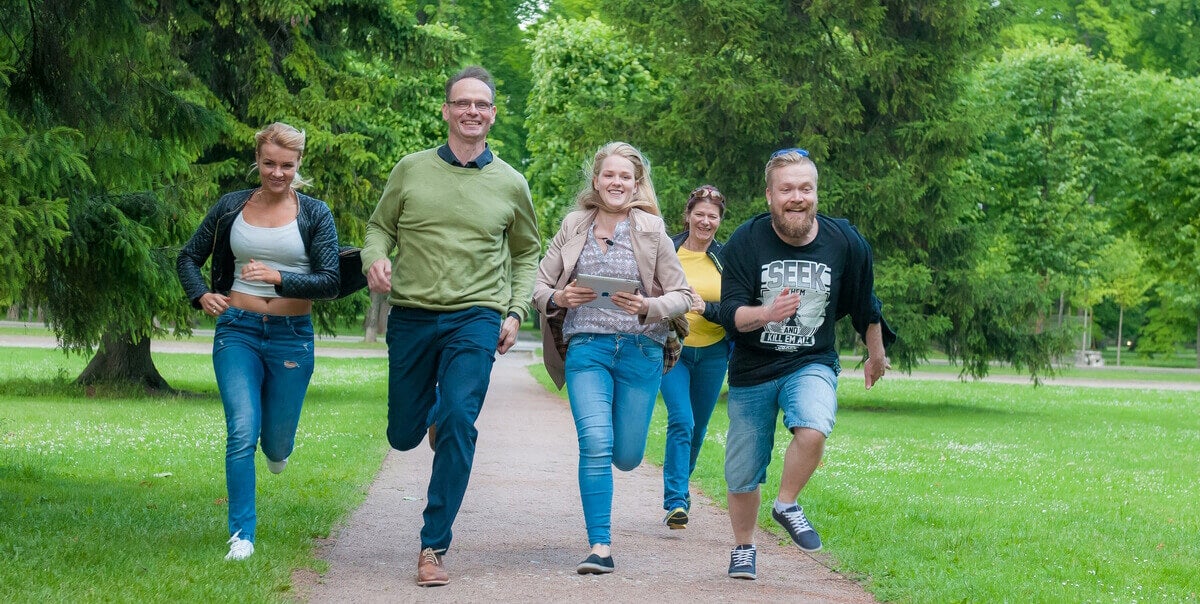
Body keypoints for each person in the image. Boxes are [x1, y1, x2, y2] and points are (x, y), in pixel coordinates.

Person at [360, 66, 540, 587]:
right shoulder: (411, 170)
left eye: (482, 105)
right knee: (402, 434)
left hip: (476, 315)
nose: (472, 112)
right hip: (413, 314)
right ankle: (432, 412)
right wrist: (376, 258)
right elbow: (378, 227)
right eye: (463, 103)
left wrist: (514, 310)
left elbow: (527, 252)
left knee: (461, 420)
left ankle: (433, 546)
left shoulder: (511, 182)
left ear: (493, 114)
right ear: (446, 110)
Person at [717, 148, 895, 580]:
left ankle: (787, 503)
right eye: (787, 189)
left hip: (810, 360)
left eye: (805, 188)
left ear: (816, 192)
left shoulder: (845, 241)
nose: (797, 197)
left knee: (814, 426)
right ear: (769, 196)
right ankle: (744, 548)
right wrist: (765, 314)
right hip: (752, 367)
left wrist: (876, 353)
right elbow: (730, 314)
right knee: (743, 471)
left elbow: (864, 303)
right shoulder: (746, 240)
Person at [176, 122, 341, 561]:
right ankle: (242, 536)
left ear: (298, 164)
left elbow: (329, 280)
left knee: (276, 443)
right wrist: (201, 293)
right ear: (258, 159)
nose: (277, 173)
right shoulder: (231, 207)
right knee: (242, 430)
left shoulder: (314, 213)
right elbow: (188, 257)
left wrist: (279, 278)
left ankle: (279, 448)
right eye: (269, 163)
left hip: (292, 338)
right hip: (238, 331)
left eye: (286, 165)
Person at [533, 141, 692, 575]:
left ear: (636, 184)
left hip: (642, 350)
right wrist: (560, 296)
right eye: (609, 175)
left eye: (625, 176)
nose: (616, 182)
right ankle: (599, 547)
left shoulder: (652, 229)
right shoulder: (573, 225)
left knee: (625, 454)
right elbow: (539, 286)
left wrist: (647, 306)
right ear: (596, 181)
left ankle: (606, 524)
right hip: (588, 348)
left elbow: (684, 295)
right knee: (596, 443)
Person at [658, 184, 730, 530]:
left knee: (698, 428)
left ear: (719, 221)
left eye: (712, 217)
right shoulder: (666, 249)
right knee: (681, 421)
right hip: (673, 349)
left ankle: (680, 492)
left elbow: (736, 308)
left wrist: (709, 308)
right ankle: (675, 499)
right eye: (699, 214)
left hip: (714, 354)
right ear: (687, 216)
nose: (705, 221)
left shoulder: (725, 258)